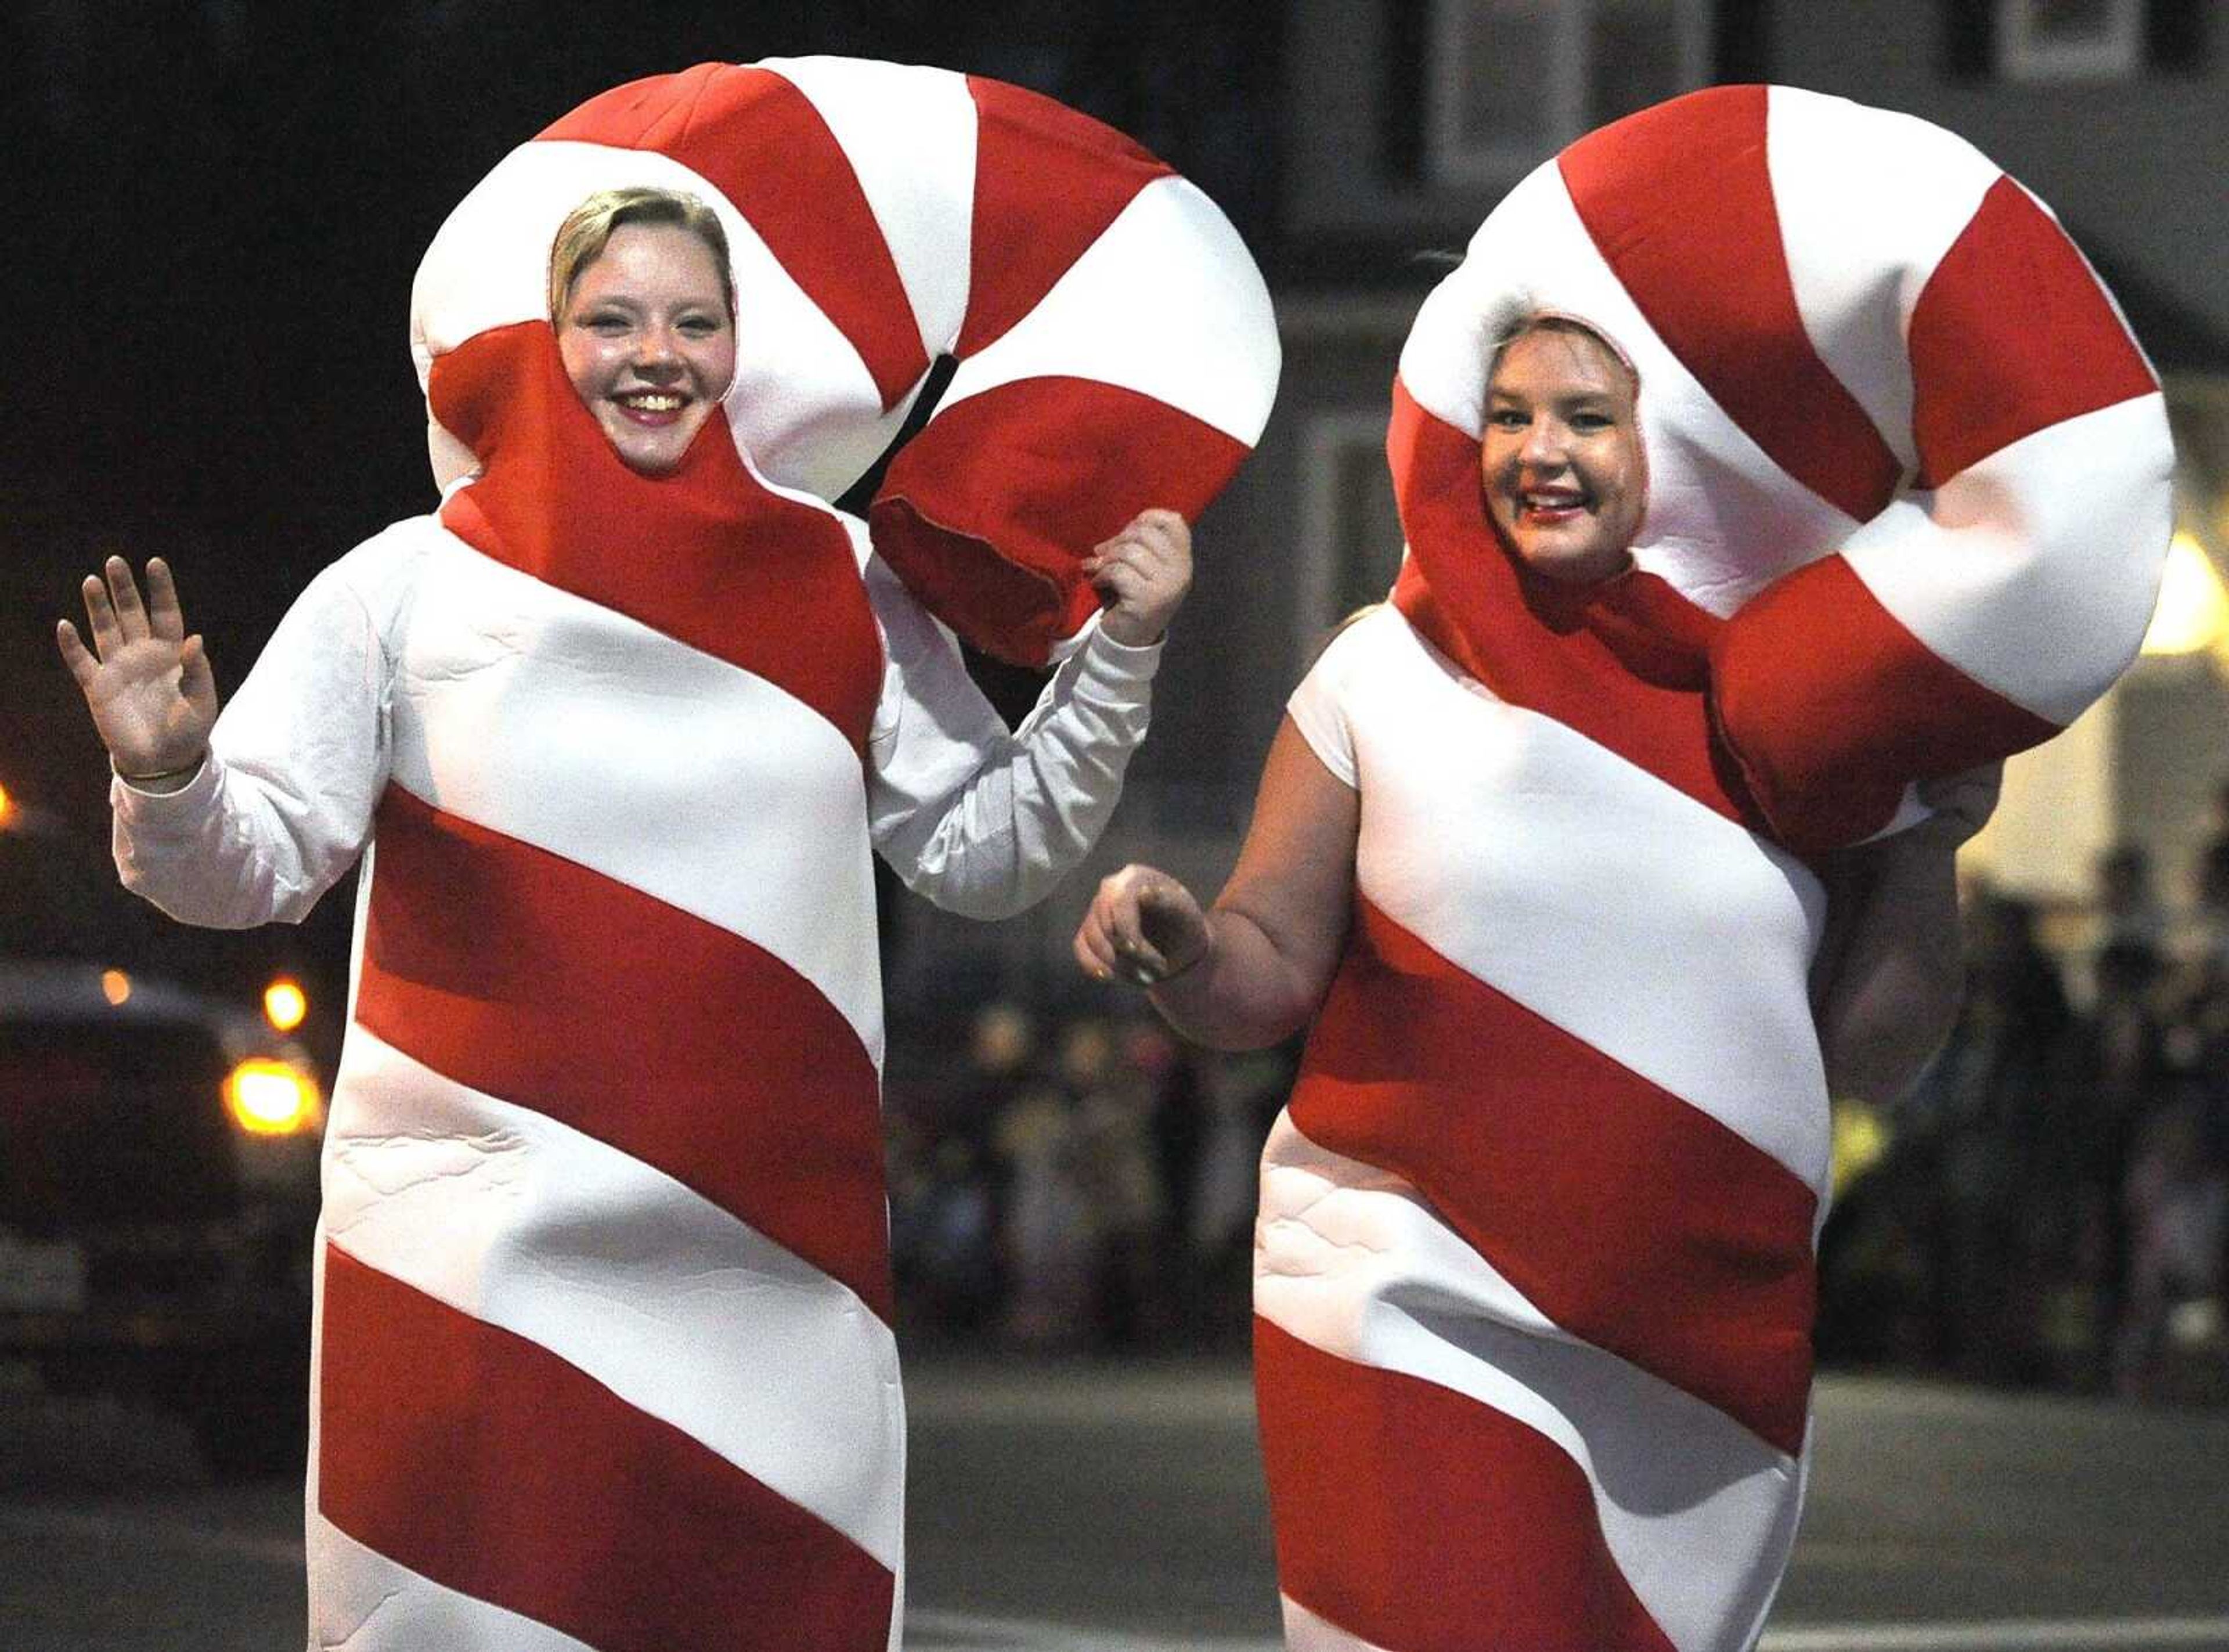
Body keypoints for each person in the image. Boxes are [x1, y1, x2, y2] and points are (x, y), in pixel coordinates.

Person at [60, 186, 1193, 1649]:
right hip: (487, 1276)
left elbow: (988, 849)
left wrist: (1120, 657)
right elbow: (250, 868)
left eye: (691, 321)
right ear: (550, 338)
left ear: (738, 350)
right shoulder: (410, 585)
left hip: (768, 1273)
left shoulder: (839, 579)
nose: (652, 355)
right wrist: (165, 770)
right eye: (611, 319)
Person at [1076, 313, 1995, 1649]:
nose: (1537, 451)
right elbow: (1263, 972)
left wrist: (1928, 852)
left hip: (1700, 1346)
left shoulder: (1793, 705)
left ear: (1673, 445)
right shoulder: (1382, 666)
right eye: (1507, 415)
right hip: (1411, 1291)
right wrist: (1185, 944)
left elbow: (1866, 1058)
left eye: (1583, 416)